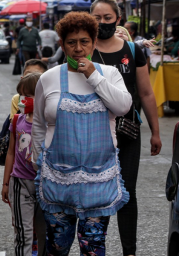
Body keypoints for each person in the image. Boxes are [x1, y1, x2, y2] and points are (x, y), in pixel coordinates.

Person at [32, 12, 133, 255]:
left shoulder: (109, 75)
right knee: (56, 246)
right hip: (58, 178)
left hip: (99, 180)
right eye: (71, 42)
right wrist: (39, 163)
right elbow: (38, 124)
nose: (78, 49)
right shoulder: (48, 78)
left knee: (93, 248)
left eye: (84, 42)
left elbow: (123, 107)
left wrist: (92, 76)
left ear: (94, 42)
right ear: (62, 45)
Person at [90, 1, 162, 255]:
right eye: (97, 17)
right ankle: (95, 247)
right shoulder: (83, 49)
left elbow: (146, 93)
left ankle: (129, 251)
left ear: (118, 18)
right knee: (98, 190)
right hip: (93, 133)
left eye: (107, 17)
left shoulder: (133, 51)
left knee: (127, 191)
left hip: (128, 132)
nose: (102, 22)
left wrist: (155, 131)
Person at [2, 72, 43, 256]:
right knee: (23, 234)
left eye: (28, 96)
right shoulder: (18, 120)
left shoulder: (50, 123)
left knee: (45, 234)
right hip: (20, 183)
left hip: (45, 184)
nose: (23, 100)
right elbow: (11, 152)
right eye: (22, 96)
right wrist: (5, 183)